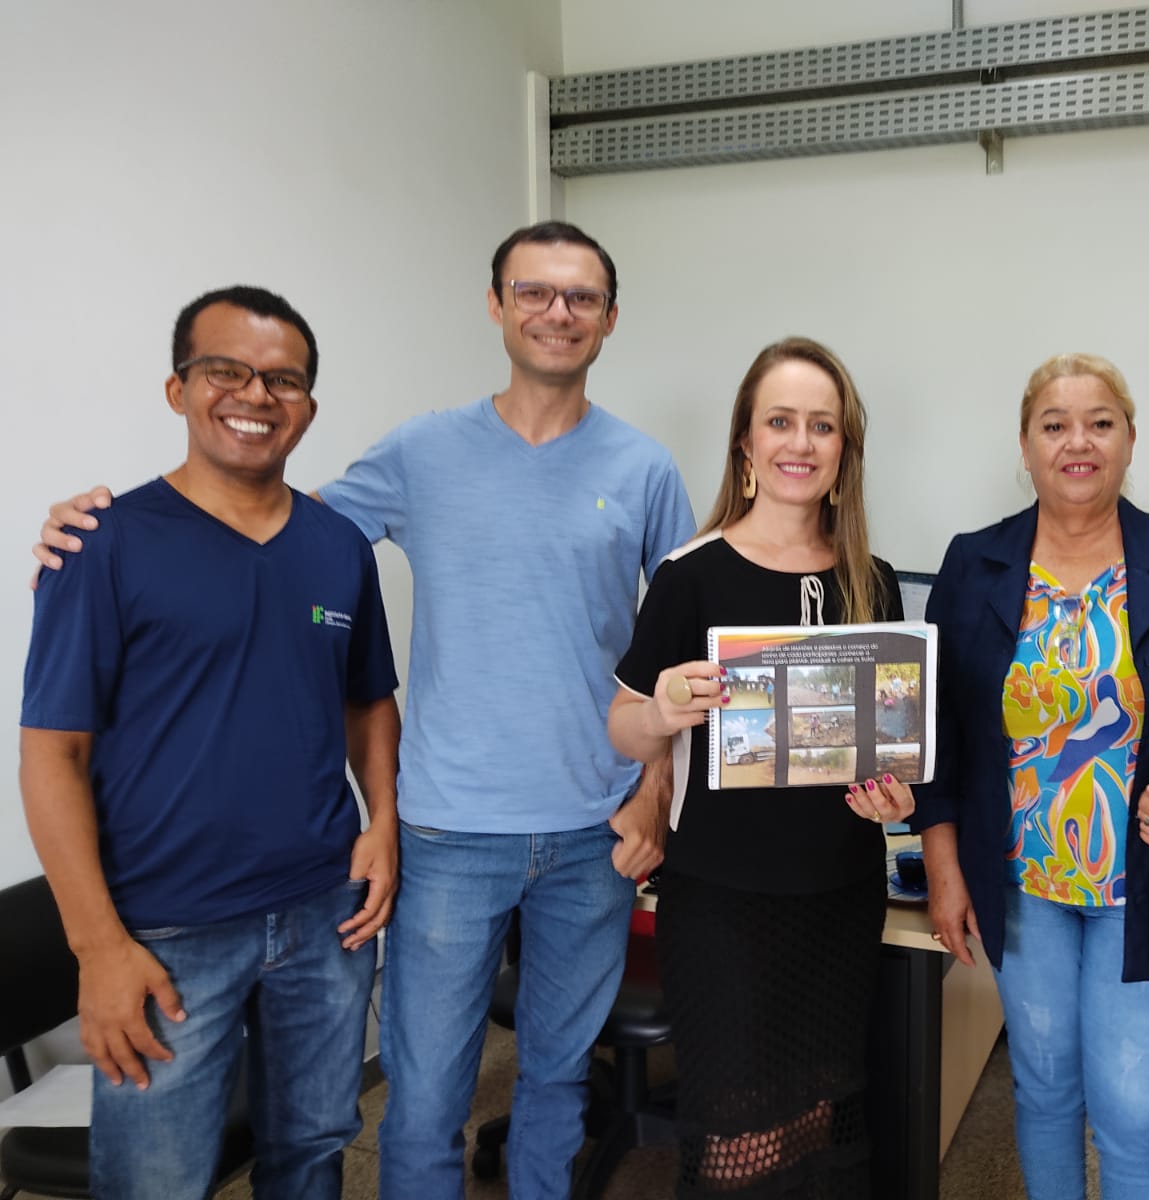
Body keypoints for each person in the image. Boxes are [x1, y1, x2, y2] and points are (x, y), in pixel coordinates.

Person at [32, 223, 697, 1199]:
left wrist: (652, 792)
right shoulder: (421, 451)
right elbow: (272, 520)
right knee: (422, 1100)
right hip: (446, 829)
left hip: (595, 827)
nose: (557, 312)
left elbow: (675, 656)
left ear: (609, 318)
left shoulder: (644, 469)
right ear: (496, 305)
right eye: (534, 291)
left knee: (556, 1079)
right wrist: (91, 527)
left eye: (581, 297)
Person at [19, 286, 401, 1200]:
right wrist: (97, 948)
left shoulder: (339, 546)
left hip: (324, 912)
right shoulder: (102, 545)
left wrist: (383, 821)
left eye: (283, 380)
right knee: (157, 1181)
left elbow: (368, 703)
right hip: (164, 931)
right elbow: (51, 756)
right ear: (178, 388)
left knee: (313, 1150)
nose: (256, 395)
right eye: (227, 370)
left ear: (308, 406)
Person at [913, 353, 1149, 1200]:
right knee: (1045, 1091)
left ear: (1129, 439)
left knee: (1133, 1114)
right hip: (1023, 886)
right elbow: (936, 733)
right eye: (1054, 425)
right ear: (1025, 446)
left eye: (1099, 423)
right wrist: (942, 865)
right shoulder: (975, 563)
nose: (1077, 442)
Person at [608, 337, 915, 1197]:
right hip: (724, 904)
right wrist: (662, 713)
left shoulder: (873, 582)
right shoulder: (690, 575)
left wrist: (893, 798)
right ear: (745, 443)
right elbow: (624, 728)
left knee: (822, 1110)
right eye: (780, 421)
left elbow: (886, 752)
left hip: (839, 894)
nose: (800, 443)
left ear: (845, 450)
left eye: (823, 425)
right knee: (735, 1138)